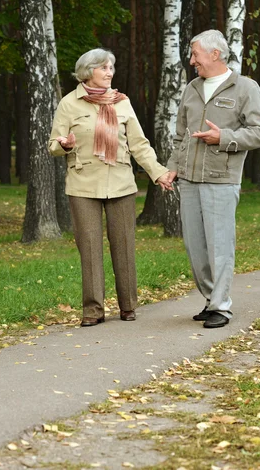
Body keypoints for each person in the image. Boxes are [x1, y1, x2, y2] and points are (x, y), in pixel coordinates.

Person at [49, 48, 173, 327]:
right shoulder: (69, 104)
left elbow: (139, 145)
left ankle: (128, 306)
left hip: (120, 184)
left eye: (111, 68)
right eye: (103, 68)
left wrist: (159, 173)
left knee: (124, 245)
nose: (109, 73)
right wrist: (64, 144)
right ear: (87, 71)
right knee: (90, 247)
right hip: (83, 185)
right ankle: (93, 310)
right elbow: (53, 145)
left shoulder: (122, 103)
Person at [167, 30, 260, 329]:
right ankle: (212, 299)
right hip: (188, 179)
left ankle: (221, 307)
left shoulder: (245, 88)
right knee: (195, 246)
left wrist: (223, 137)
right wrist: (173, 167)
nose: (191, 61)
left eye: (195, 54)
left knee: (220, 246)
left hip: (221, 179)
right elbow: (180, 135)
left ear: (215, 54)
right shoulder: (191, 88)